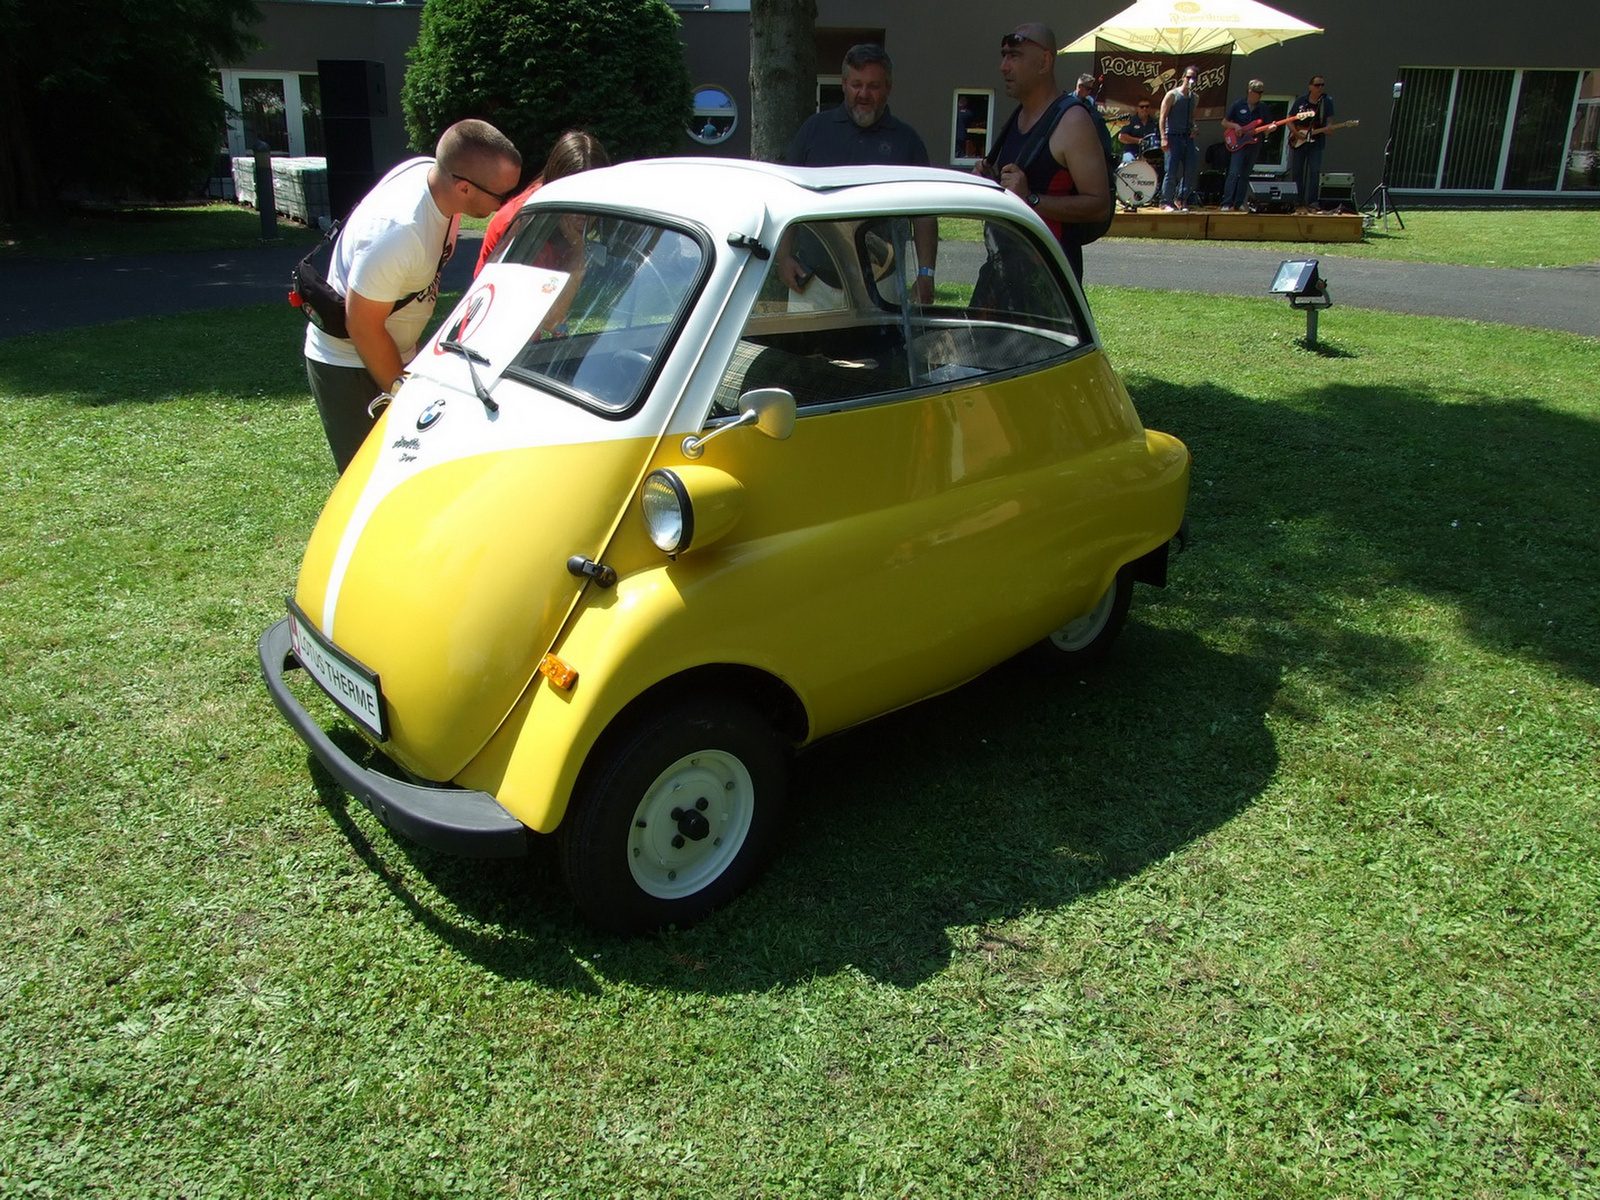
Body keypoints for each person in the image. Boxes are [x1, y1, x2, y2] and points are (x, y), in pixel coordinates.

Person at [302, 119, 521, 473]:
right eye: (501, 195)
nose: (503, 205)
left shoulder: (431, 177)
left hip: (395, 353)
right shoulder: (398, 231)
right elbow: (362, 325)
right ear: (463, 187)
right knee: (373, 477)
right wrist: (404, 398)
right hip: (353, 365)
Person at [779, 43, 936, 302]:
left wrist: (926, 273)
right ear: (843, 84)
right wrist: (783, 257)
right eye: (856, 84)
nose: (864, 94)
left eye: (873, 86)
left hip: (882, 285)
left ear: (888, 88)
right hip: (812, 283)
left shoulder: (907, 141)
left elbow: (925, 215)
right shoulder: (814, 130)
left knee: (882, 346)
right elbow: (786, 197)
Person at [977, 23, 1113, 283]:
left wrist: (1031, 199)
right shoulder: (1019, 115)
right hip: (1002, 275)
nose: (1003, 66)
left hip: (1048, 287)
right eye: (1004, 55)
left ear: (1044, 62)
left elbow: (1099, 206)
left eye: (1014, 56)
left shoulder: (1072, 121)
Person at [475, 130, 609, 276]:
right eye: (576, 198)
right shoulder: (524, 225)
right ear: (555, 188)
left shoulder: (565, 226)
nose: (583, 214)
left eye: (591, 200)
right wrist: (578, 254)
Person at [1220, 79, 1269, 211]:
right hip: (1239, 142)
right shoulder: (1238, 104)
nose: (1259, 95)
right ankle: (1227, 202)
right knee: (1233, 173)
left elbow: (1267, 125)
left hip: (1254, 143)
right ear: (1249, 91)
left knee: (1245, 175)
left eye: (1261, 92)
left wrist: (1270, 129)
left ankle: (1239, 202)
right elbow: (1224, 122)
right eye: (1256, 92)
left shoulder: (1263, 107)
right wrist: (1236, 126)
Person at [1289, 74, 1336, 209]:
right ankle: (1297, 199)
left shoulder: (1327, 102)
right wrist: (1297, 133)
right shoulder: (1301, 101)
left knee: (1314, 171)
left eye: (1322, 85)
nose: (1320, 88)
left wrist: (1329, 129)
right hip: (1299, 140)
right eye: (1317, 85)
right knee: (1297, 171)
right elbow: (1290, 119)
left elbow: (1329, 122)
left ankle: (1312, 201)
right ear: (1310, 86)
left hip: (1316, 142)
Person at [1159, 66, 1200, 212]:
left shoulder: (1194, 98)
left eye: (1193, 77)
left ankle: (1181, 198)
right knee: (1171, 170)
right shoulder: (1172, 95)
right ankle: (1165, 201)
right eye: (1188, 77)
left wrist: (1194, 127)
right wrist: (1163, 137)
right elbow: (1162, 117)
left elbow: (1192, 117)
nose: (1190, 80)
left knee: (1191, 168)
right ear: (1183, 77)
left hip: (1187, 138)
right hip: (1172, 136)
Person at [1118, 97, 1159, 164]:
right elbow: (1121, 137)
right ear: (1137, 108)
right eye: (1142, 107)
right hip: (1131, 153)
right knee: (1128, 160)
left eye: (1147, 106)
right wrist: (1138, 141)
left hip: (1149, 156)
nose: (1144, 109)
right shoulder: (1130, 121)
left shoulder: (1154, 123)